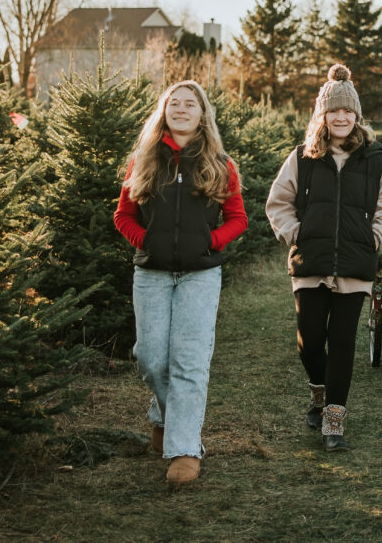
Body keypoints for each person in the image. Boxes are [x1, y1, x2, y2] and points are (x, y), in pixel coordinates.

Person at [113, 80, 247, 484]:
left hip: (200, 276)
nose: (182, 109)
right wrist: (147, 242)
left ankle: (184, 448)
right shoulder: (144, 160)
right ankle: (164, 415)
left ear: (202, 113)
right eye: (175, 103)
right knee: (151, 357)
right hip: (151, 274)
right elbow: (123, 216)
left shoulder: (220, 164)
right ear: (164, 111)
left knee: (189, 361)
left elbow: (238, 219)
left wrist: (209, 242)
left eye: (191, 104)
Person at [267, 64, 382, 451]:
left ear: (356, 116)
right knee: (309, 341)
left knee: (342, 341)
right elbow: (278, 202)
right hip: (311, 263)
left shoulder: (373, 160)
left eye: (347, 111)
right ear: (322, 115)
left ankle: (334, 419)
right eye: (333, 111)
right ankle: (318, 389)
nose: (341, 117)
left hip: (355, 266)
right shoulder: (303, 158)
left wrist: (376, 239)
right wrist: (298, 234)